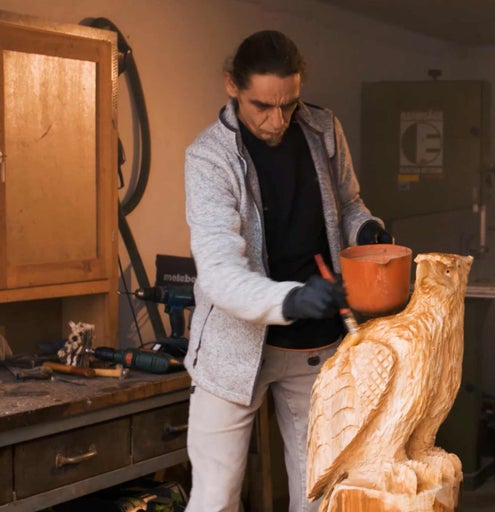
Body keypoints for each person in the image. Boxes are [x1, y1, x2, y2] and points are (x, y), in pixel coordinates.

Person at [183, 30, 392, 512]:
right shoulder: (208, 157)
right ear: (231, 86)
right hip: (232, 351)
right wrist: (290, 299)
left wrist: (366, 233)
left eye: (289, 105)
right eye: (262, 106)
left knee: (320, 493)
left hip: (316, 345)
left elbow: (350, 203)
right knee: (214, 498)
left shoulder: (324, 128)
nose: (277, 121)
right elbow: (216, 271)